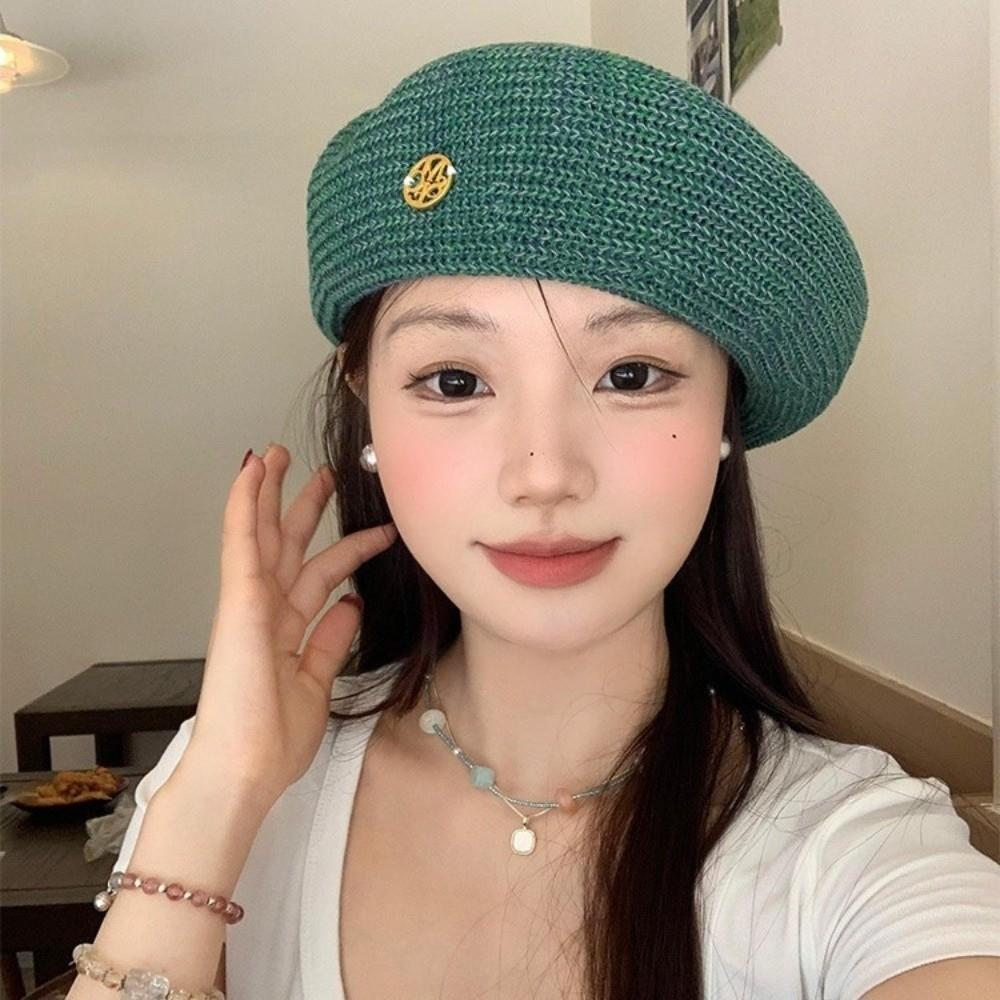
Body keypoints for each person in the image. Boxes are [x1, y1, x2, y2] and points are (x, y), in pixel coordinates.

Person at [66, 40, 1000, 1000]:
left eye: (631, 374)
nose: (545, 473)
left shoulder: (853, 853)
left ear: (726, 416)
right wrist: (216, 799)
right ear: (367, 406)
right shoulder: (236, 784)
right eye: (454, 381)